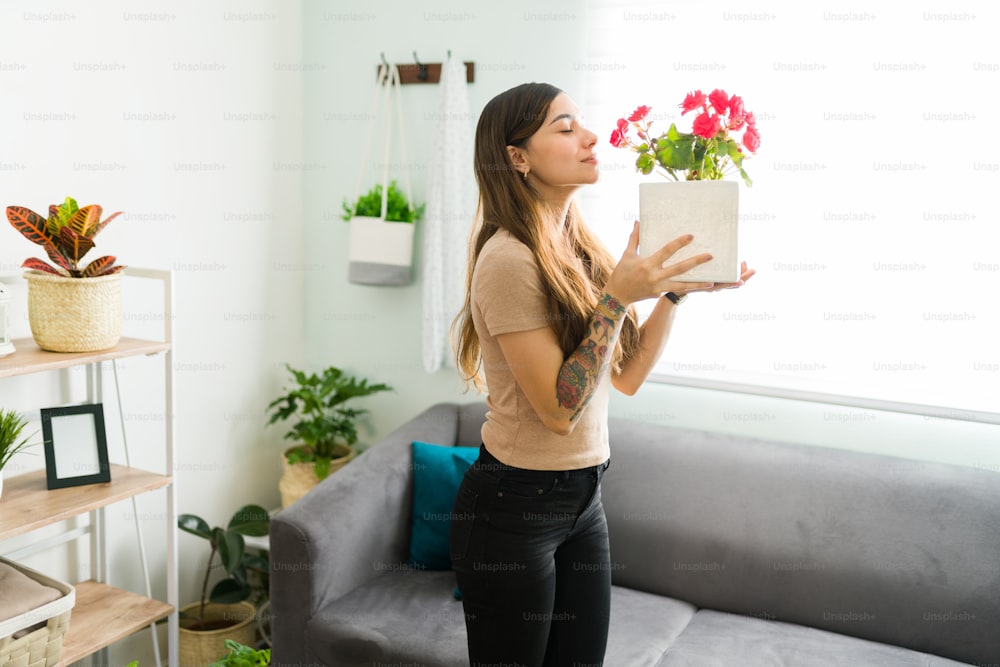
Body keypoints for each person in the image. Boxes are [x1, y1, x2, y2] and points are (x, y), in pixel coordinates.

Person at [449, 82, 754, 667]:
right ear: (517, 157)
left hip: (583, 501)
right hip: (512, 510)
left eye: (581, 123)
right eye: (565, 128)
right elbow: (560, 412)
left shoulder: (576, 244)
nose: (590, 137)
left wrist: (671, 296)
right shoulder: (508, 260)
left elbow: (627, 374)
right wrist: (615, 300)